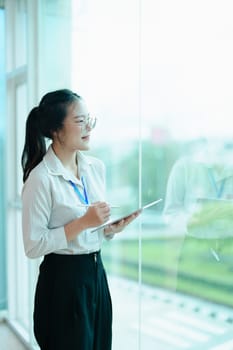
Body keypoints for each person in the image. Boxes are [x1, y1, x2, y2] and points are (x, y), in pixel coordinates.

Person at [21, 89, 140, 350]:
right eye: (79, 121)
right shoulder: (40, 179)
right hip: (63, 281)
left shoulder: (95, 168)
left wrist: (109, 229)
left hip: (96, 274)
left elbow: (90, 228)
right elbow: (33, 246)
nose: (88, 127)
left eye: (90, 119)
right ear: (56, 130)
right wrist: (84, 222)